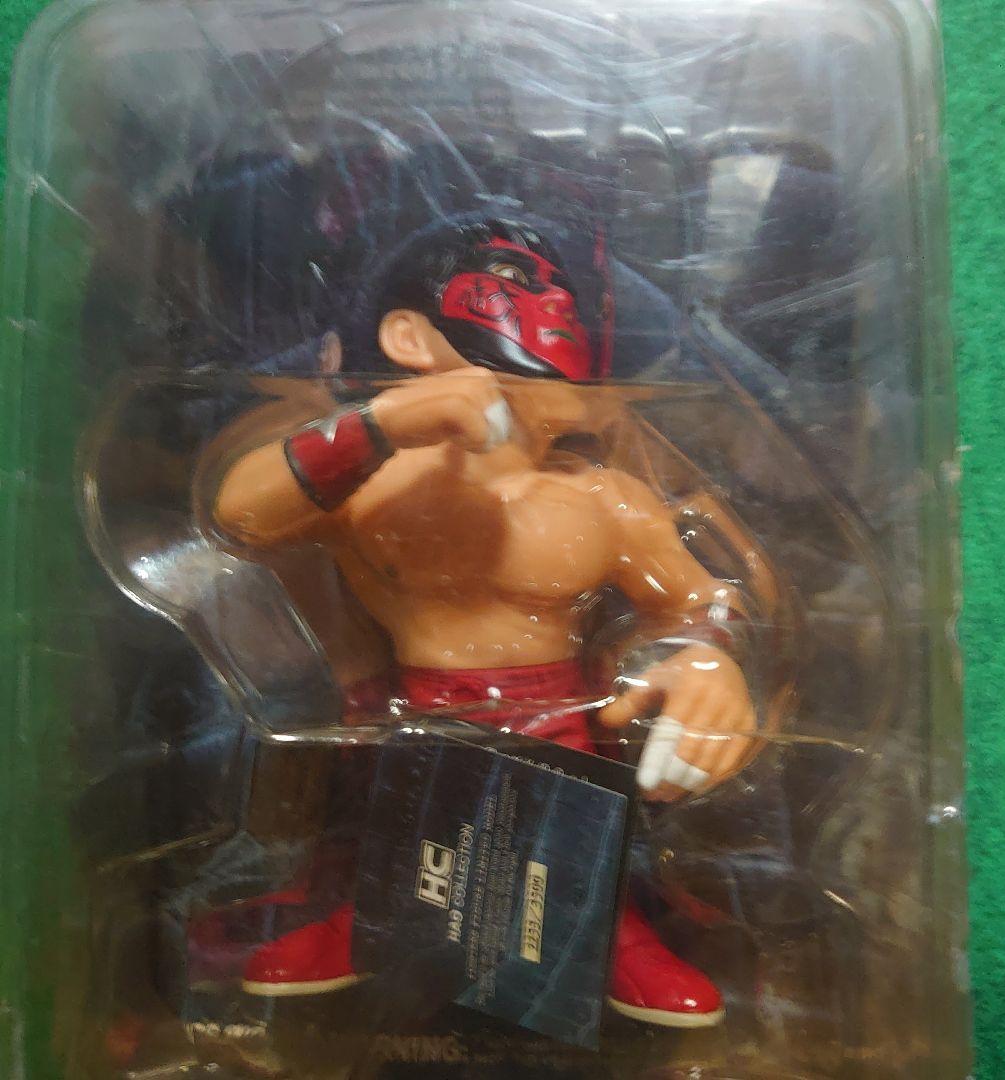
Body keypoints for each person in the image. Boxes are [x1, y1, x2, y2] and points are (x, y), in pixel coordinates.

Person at [212, 218, 760, 1028]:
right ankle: (369, 919)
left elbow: (704, 599)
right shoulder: (372, 484)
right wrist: (379, 424)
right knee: (399, 834)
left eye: (565, 290)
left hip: (563, 723)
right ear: (409, 336)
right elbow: (238, 515)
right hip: (413, 721)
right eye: (516, 277)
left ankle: (606, 928)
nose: (554, 305)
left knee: (571, 846)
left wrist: (709, 660)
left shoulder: (604, 498)